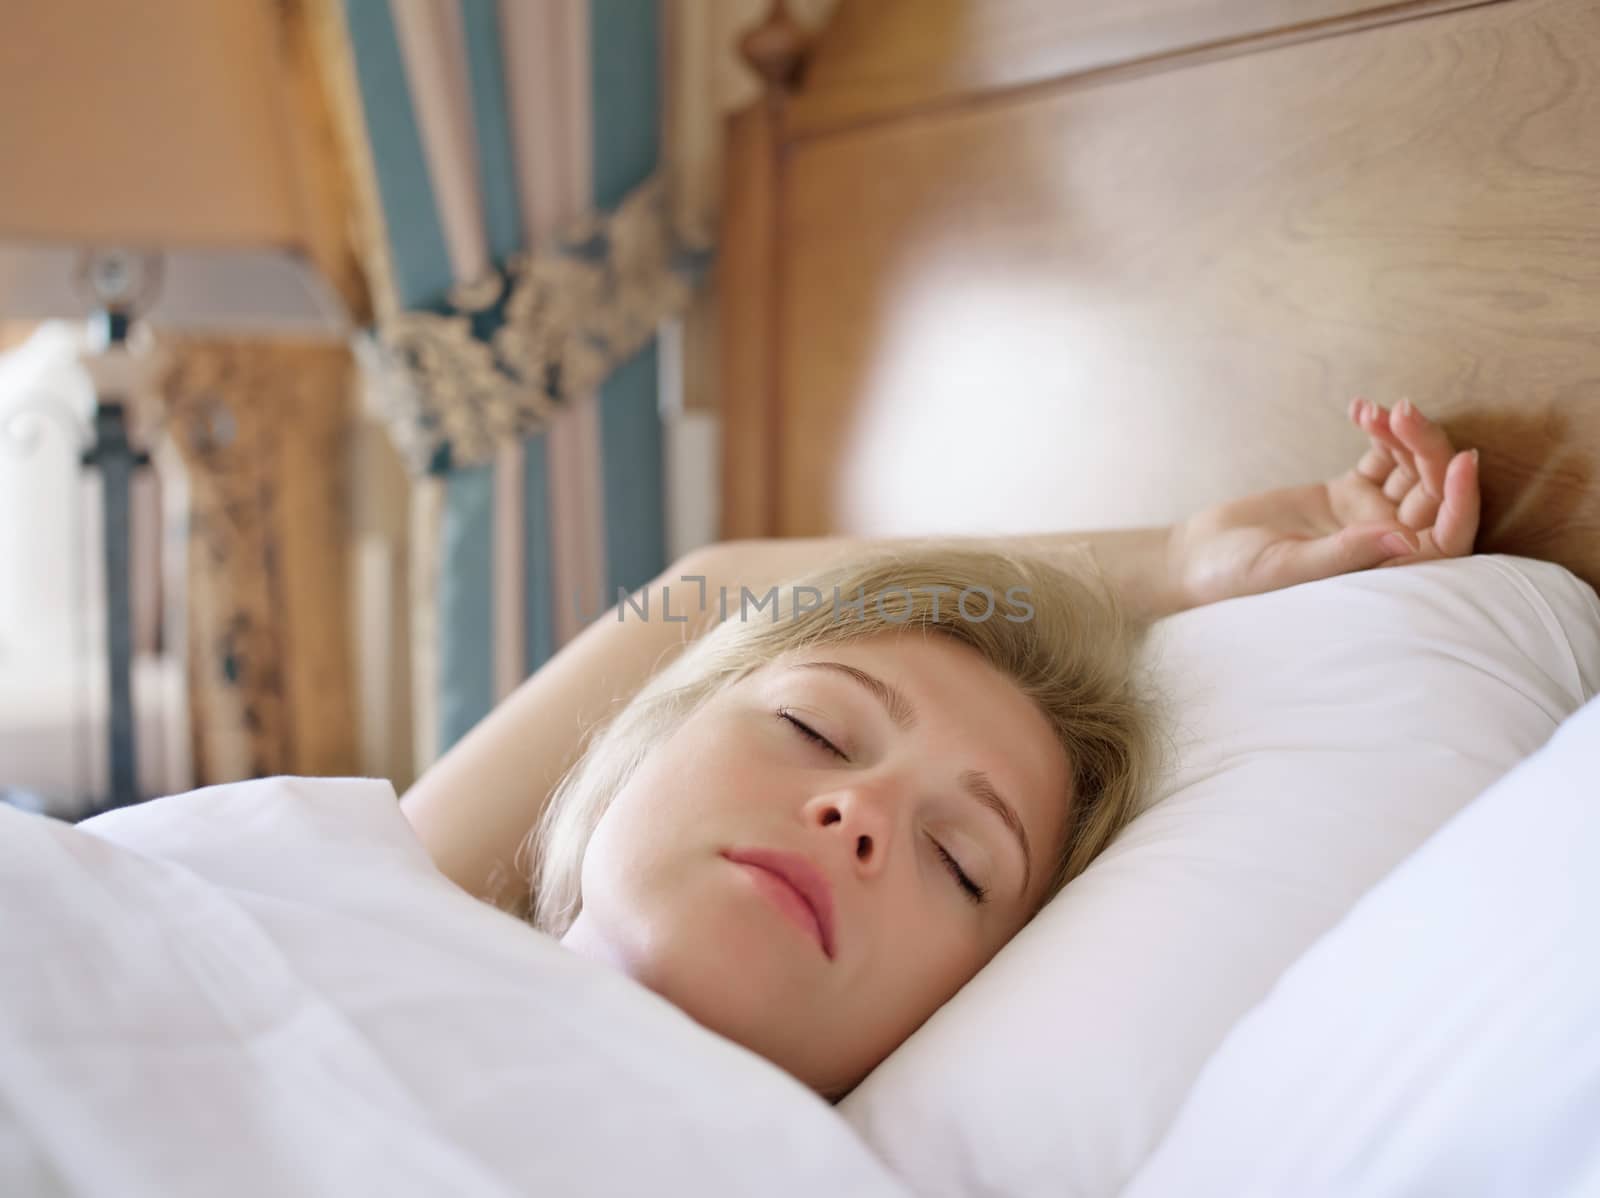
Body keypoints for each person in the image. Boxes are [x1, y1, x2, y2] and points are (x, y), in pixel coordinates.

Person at [401, 397, 1481, 1099]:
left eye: (960, 860)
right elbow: (706, 591)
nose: (858, 812)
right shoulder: (366, 886)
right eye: (813, 728)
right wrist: (1174, 557)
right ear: (652, 731)